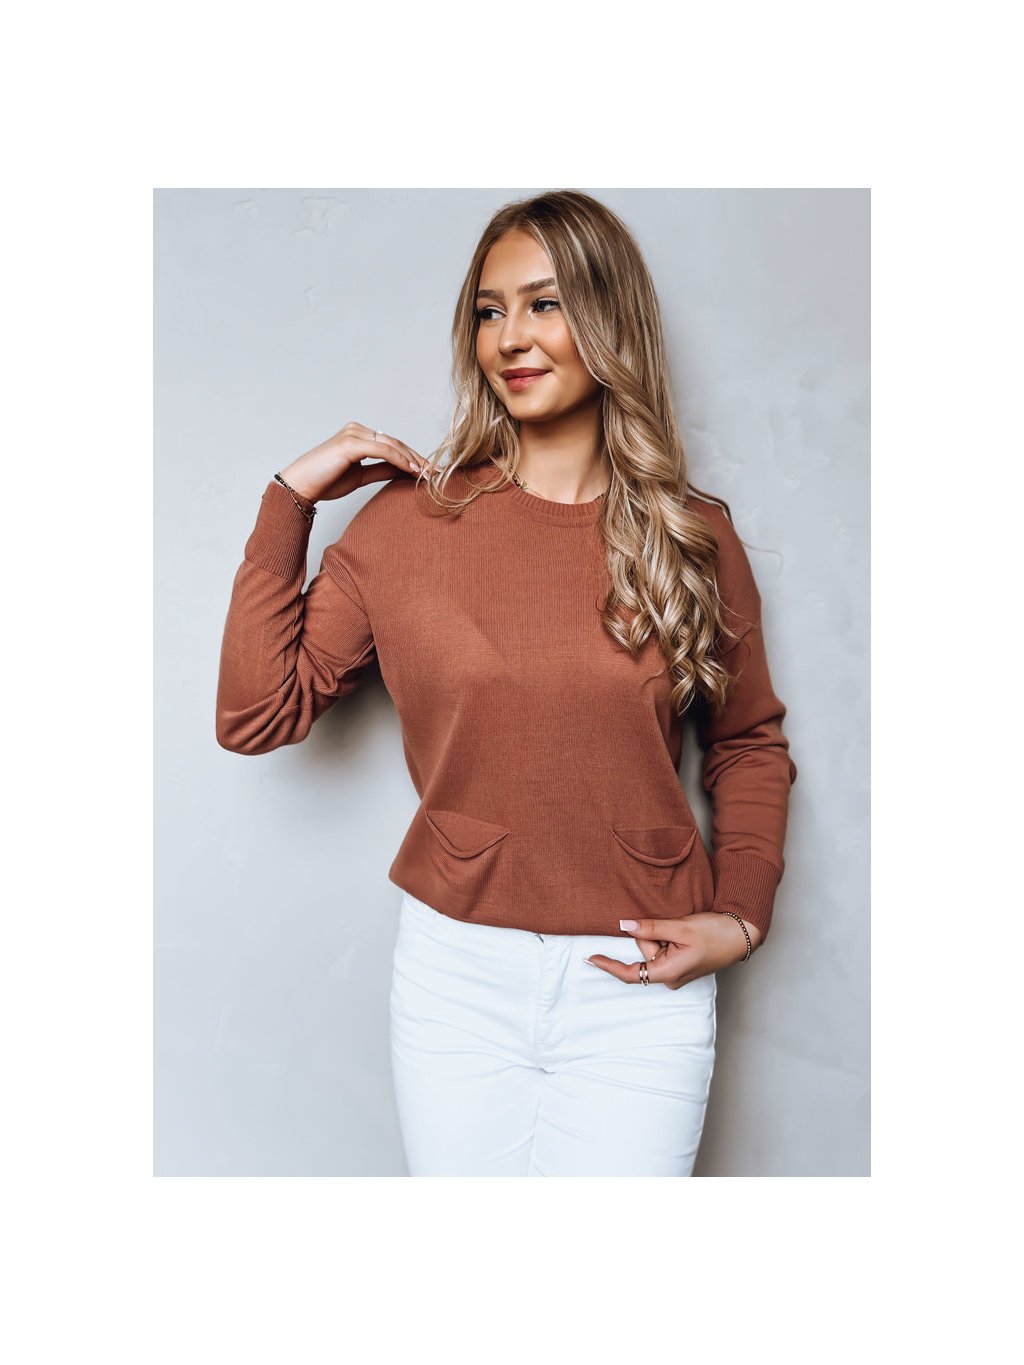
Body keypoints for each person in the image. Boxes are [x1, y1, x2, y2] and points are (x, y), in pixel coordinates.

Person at [215, 189, 798, 1176]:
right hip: (458, 978)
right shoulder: (408, 527)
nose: (510, 338)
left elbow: (747, 742)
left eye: (545, 304)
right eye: (489, 311)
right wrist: (289, 501)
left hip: (637, 981)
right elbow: (255, 714)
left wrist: (742, 914)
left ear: (608, 320)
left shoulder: (693, 536)